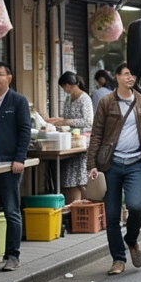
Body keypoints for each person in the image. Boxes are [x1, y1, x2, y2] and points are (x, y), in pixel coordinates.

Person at [88, 63, 141, 276]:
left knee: (137, 205)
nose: (130, 77)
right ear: (116, 77)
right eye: (126, 74)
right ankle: (118, 259)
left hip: (136, 164)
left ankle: (131, 240)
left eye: (132, 74)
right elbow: (96, 133)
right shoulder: (107, 102)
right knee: (112, 214)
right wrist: (92, 165)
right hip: (111, 165)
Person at [0, 62, 31, 272]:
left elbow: (25, 131)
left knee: (11, 209)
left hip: (9, 164)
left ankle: (13, 255)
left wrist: (19, 159)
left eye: (0, 75)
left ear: (9, 78)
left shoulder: (18, 100)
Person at [46, 72, 94, 204]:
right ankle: (72, 207)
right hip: (70, 140)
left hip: (82, 141)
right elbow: (64, 118)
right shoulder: (68, 100)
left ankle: (85, 203)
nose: (64, 90)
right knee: (68, 178)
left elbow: (88, 121)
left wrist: (67, 122)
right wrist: (57, 122)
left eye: (63, 87)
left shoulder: (85, 99)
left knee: (80, 177)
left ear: (67, 85)